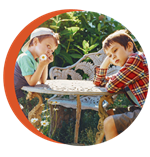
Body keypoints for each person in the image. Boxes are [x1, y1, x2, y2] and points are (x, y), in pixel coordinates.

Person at [93, 30, 149, 142]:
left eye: (115, 50)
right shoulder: (127, 67)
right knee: (109, 114)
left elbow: (111, 86)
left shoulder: (136, 59)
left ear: (129, 46)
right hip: (139, 108)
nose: (112, 57)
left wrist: (110, 79)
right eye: (109, 55)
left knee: (110, 122)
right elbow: (100, 82)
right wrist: (106, 62)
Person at [14, 27, 60, 110]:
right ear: (35, 42)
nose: (50, 52)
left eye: (52, 51)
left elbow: (42, 81)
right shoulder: (25, 57)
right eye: (48, 46)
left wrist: (46, 64)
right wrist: (41, 65)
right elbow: (32, 82)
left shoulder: (37, 60)